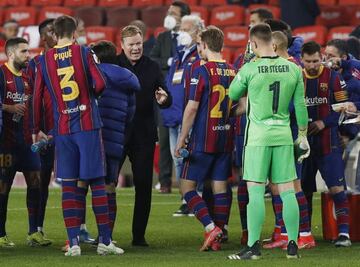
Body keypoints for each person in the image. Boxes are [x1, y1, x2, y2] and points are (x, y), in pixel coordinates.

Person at [32, 15, 123, 256]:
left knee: (69, 186)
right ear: (74, 33)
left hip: (63, 128)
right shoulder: (84, 53)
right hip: (87, 124)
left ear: (54, 34)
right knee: (97, 183)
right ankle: (105, 241)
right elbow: (100, 83)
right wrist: (89, 96)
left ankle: (73, 244)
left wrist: (35, 129)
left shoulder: (43, 60)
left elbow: (37, 96)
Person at [227, 23, 309, 260]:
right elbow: (301, 107)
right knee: (287, 191)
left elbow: (232, 94)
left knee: (255, 191)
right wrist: (302, 135)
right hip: (283, 136)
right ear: (273, 43)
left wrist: (245, 62)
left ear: (253, 44)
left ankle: (253, 248)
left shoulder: (250, 68)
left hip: (257, 139)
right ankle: (293, 244)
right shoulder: (293, 69)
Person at [175, 25, 236, 252]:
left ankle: (211, 227)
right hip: (225, 137)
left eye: (199, 45)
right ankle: (219, 236)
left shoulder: (202, 71)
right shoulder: (232, 70)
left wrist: (182, 138)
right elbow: (241, 105)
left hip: (203, 138)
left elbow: (192, 108)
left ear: (204, 45)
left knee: (187, 188)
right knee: (220, 188)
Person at [116, 25, 172, 247]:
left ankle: (138, 236)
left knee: (143, 186)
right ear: (122, 45)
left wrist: (164, 99)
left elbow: (166, 96)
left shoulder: (152, 66)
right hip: (116, 134)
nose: (136, 48)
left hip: (144, 135)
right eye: (132, 45)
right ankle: (106, 234)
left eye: (139, 44)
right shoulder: (112, 64)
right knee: (108, 184)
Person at [263, 31, 315, 250]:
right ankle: (284, 233)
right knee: (276, 186)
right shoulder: (282, 65)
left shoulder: (293, 67)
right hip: (279, 132)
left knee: (293, 186)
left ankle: (305, 235)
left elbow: (296, 104)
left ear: (274, 46)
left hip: (290, 132)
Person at [300, 41, 351, 247]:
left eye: (315, 61)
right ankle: (306, 232)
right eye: (308, 61)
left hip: (328, 143)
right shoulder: (297, 78)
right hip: (304, 144)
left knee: (337, 188)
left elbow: (343, 109)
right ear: (301, 60)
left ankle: (344, 234)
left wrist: (323, 122)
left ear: (321, 58)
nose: (312, 65)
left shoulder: (334, 78)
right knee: (304, 190)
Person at [92, 40, 140, 239]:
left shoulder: (92, 76)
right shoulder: (127, 79)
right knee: (109, 186)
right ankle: (106, 237)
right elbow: (130, 113)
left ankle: (76, 237)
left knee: (81, 185)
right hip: (115, 138)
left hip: (92, 137)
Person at [0, 37, 43, 247]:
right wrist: (9, 108)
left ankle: (34, 232)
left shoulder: (28, 78)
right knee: (3, 189)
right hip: (5, 144)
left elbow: (33, 107)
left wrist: (39, 130)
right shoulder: (1, 74)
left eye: (29, 51)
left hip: (26, 142)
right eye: (24, 51)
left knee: (36, 182)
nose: (28, 55)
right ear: (11, 54)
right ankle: (0, 234)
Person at [160, 14, 204, 216]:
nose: (182, 34)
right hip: (173, 115)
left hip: (189, 115)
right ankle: (186, 199)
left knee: (190, 159)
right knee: (177, 159)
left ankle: (196, 199)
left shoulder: (200, 56)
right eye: (181, 30)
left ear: (198, 32)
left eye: (187, 30)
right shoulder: (179, 55)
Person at [150, 1, 191, 194]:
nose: (169, 15)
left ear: (183, 17)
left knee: (186, 139)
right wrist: (168, 61)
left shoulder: (190, 38)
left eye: (174, 13)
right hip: (166, 94)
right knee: (165, 139)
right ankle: (165, 181)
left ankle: (190, 184)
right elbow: (153, 58)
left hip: (186, 93)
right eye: (169, 12)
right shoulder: (163, 37)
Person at [26, 18, 57, 246]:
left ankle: (80, 232)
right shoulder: (34, 64)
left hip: (66, 130)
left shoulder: (71, 60)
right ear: (43, 37)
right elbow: (30, 97)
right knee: (41, 180)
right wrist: (36, 130)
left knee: (78, 181)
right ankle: (37, 228)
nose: (56, 34)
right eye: (50, 31)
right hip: (44, 133)